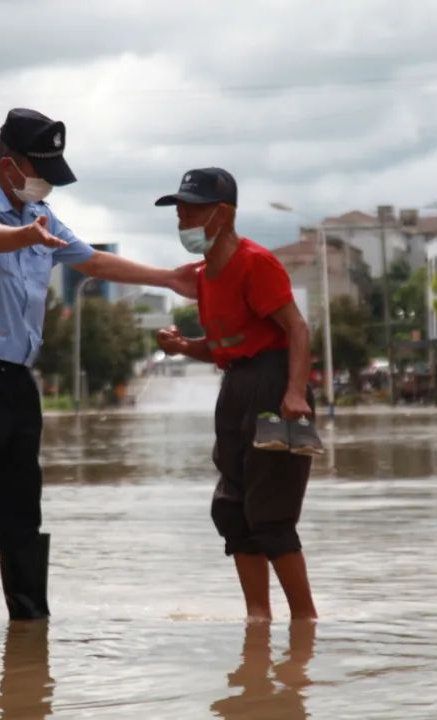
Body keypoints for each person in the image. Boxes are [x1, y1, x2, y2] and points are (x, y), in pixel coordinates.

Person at [0, 108, 198, 632]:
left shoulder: (43, 218)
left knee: (21, 510)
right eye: (42, 171)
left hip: (16, 382)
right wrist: (26, 236)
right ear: (9, 165)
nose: (48, 184)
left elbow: (93, 262)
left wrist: (170, 278)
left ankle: (29, 635)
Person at [154, 167, 320, 621]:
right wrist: (185, 347)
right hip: (237, 388)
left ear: (222, 214)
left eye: (191, 209)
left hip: (277, 387)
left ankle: (305, 622)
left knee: (271, 514)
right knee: (232, 510)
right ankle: (258, 621)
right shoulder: (208, 276)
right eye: (179, 210)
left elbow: (297, 328)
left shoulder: (255, 262)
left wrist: (295, 393)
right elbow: (229, 346)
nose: (182, 218)